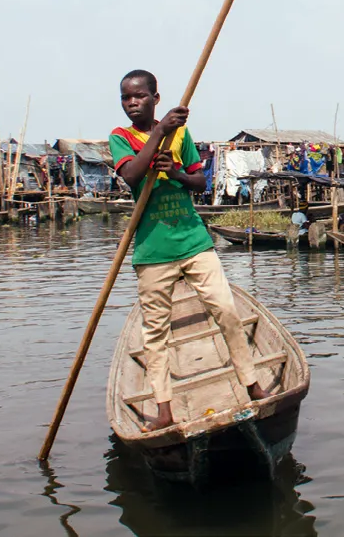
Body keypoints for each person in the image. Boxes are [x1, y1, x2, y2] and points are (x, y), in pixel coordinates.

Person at [110, 69, 268, 431]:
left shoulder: (181, 134)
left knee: (226, 311)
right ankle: (164, 408)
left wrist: (178, 172)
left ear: (155, 98)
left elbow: (200, 182)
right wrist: (160, 133)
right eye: (125, 98)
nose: (132, 103)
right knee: (155, 333)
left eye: (139, 96)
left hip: (195, 241)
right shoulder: (120, 137)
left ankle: (251, 384)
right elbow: (132, 175)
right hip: (153, 249)